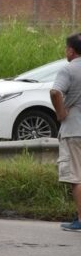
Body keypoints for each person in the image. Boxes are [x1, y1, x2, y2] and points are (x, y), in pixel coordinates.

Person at [50, 33, 81, 232]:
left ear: (70, 50)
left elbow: (55, 92)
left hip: (74, 128)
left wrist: (61, 112)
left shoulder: (68, 69)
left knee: (76, 177)